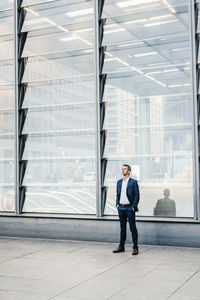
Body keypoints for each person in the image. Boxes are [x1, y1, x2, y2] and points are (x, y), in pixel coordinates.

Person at [113, 164, 140, 255]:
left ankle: (135, 247)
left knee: (133, 228)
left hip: (129, 208)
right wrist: (117, 204)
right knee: (122, 228)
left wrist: (133, 207)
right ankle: (121, 246)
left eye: (125, 169)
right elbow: (118, 194)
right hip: (121, 208)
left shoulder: (133, 182)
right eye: (122, 169)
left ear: (129, 171)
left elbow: (137, 196)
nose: (123, 171)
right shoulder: (119, 182)